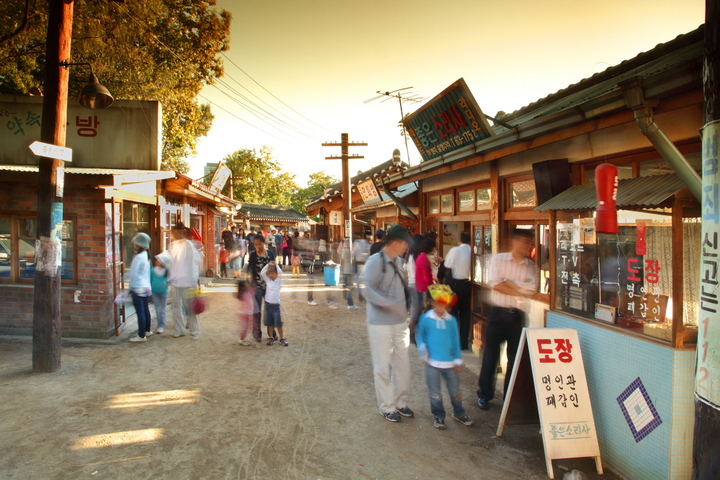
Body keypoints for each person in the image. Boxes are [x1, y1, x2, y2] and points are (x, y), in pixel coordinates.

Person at [476, 228, 537, 410]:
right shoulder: (499, 259)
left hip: (517, 315)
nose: (525, 245)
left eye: (528, 242)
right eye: (522, 241)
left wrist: (508, 283)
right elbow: (496, 284)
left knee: (514, 358)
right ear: (514, 241)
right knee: (491, 356)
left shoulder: (530, 265)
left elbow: (532, 289)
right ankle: (484, 395)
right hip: (497, 313)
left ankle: (509, 398)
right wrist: (518, 287)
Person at [361, 224, 414, 422]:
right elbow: (366, 288)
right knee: (382, 366)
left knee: (403, 365)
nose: (406, 247)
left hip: (400, 322)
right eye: (404, 243)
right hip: (380, 323)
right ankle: (387, 406)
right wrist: (388, 304)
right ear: (395, 242)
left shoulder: (400, 262)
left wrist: (407, 306)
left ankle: (401, 402)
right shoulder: (375, 261)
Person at [416, 284, 474, 429]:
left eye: (445, 304)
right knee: (435, 393)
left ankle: (459, 412)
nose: (442, 307)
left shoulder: (452, 321)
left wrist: (457, 360)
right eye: (439, 303)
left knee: (455, 391)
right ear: (432, 302)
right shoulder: (425, 319)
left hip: (449, 364)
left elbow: (455, 340)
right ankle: (438, 415)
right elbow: (420, 336)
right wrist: (423, 350)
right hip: (432, 363)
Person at [167, 222, 201, 339]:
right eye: (174, 232)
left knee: (190, 307)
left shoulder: (189, 246)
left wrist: (194, 280)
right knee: (176, 307)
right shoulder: (171, 246)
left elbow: (194, 264)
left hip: (188, 281)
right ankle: (179, 329)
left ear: (183, 232)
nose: (176, 234)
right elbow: (170, 262)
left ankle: (194, 330)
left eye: (179, 231)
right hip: (175, 281)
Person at [444, 231, 472, 350]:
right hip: (468, 284)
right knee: (465, 314)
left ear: (460, 240)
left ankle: (453, 342)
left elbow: (447, 265)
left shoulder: (455, 250)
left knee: (453, 314)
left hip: (455, 284)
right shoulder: (472, 251)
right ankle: (464, 343)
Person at [246, 234, 276, 345]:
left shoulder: (271, 254)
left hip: (269, 286)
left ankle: (272, 332)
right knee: (256, 310)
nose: (257, 246)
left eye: (259, 244)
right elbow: (250, 270)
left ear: (264, 243)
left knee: (270, 310)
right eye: (255, 244)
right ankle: (257, 333)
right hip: (257, 286)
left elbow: (274, 269)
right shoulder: (253, 255)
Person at [410, 237, 437, 342]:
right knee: (423, 313)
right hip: (424, 289)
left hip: (420, 287)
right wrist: (433, 288)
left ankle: (416, 335)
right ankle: (418, 335)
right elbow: (427, 277)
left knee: (420, 312)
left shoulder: (420, 257)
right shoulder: (423, 258)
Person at [129, 232, 152, 343]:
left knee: (140, 312)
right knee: (145, 310)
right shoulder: (146, 255)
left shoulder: (138, 257)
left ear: (139, 244)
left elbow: (133, 274)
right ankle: (147, 330)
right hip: (146, 286)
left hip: (138, 286)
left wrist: (130, 287)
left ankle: (141, 335)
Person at [261, 261, 288, 346]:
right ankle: (271, 337)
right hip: (268, 304)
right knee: (269, 323)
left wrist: (276, 265)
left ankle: (282, 338)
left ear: (276, 274)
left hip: (276, 305)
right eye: (269, 273)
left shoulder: (278, 281)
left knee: (278, 323)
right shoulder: (268, 280)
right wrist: (267, 265)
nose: (271, 275)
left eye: (273, 273)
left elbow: (280, 272)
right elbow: (262, 273)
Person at [151, 252, 170, 334]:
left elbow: (170, 280)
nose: (156, 261)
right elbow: (149, 280)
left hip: (164, 293)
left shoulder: (167, 271)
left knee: (162, 309)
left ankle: (161, 325)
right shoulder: (152, 270)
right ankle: (160, 325)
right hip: (154, 292)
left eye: (158, 260)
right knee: (158, 309)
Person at [338, 238, 358, 310]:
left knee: (345, 284)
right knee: (349, 287)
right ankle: (350, 303)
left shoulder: (343, 249)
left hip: (344, 269)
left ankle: (345, 296)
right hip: (349, 270)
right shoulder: (348, 250)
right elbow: (354, 257)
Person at [236, 280, 258, 346]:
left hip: (246, 313)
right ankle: (241, 340)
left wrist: (252, 286)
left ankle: (242, 339)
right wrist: (253, 286)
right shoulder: (245, 293)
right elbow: (253, 292)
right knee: (245, 327)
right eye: (246, 285)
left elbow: (253, 292)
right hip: (244, 313)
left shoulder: (245, 293)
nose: (247, 285)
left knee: (247, 327)